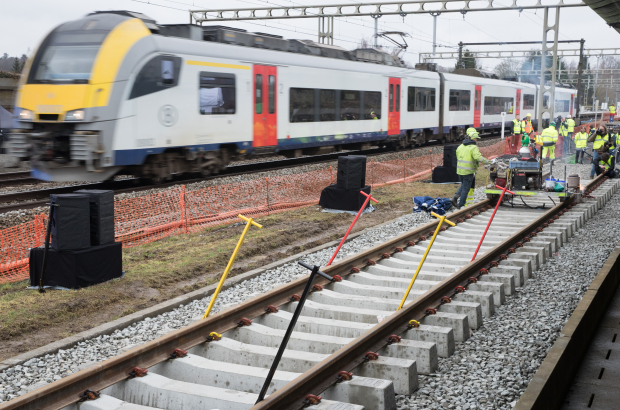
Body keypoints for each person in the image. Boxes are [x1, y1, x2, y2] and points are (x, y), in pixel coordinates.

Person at [451, 132, 490, 209]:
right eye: (476, 139)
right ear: (473, 139)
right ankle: (461, 206)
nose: (477, 140)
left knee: (464, 185)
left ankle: (455, 197)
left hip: (460, 171)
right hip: (468, 171)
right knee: (466, 189)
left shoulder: (460, 146)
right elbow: (478, 158)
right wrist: (489, 161)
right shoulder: (473, 147)